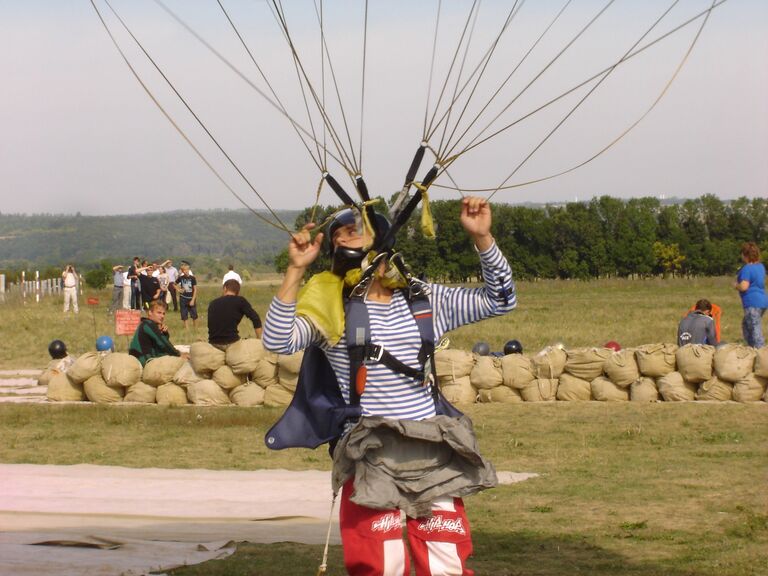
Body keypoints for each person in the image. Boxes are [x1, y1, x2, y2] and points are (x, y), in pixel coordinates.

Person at [263, 197, 516, 575]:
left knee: (445, 562)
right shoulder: (332, 310)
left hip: (432, 449)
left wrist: (482, 238)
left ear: (382, 242)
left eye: (354, 230)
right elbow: (278, 340)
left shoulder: (425, 299)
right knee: (379, 564)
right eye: (339, 236)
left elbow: (501, 299)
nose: (344, 238)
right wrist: (295, 271)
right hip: (370, 451)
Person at [207, 279, 262, 349]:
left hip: (213, 343)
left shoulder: (213, 303)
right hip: (232, 343)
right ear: (238, 292)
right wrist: (259, 340)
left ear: (225, 288)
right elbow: (256, 318)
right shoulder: (240, 301)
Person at [129, 300, 186, 366]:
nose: (162, 316)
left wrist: (164, 334)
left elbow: (161, 344)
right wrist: (179, 354)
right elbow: (163, 344)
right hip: (144, 360)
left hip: (144, 358)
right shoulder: (148, 325)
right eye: (159, 313)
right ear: (150, 312)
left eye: (163, 313)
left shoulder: (148, 324)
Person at [735, 242, 768, 348]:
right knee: (746, 325)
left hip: (752, 302)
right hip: (762, 301)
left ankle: (760, 351)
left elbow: (744, 286)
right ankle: (751, 347)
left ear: (745, 255)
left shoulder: (746, 269)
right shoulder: (761, 267)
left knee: (754, 328)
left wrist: (736, 286)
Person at [176, 261, 198, 328]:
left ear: (189, 270)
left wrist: (193, 300)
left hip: (191, 298)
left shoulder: (192, 278)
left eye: (187, 269)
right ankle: (187, 329)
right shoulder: (181, 278)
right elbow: (173, 284)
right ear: (182, 271)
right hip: (183, 298)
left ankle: (195, 328)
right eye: (184, 270)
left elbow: (195, 289)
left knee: (194, 314)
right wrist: (178, 289)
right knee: (184, 314)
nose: (186, 271)